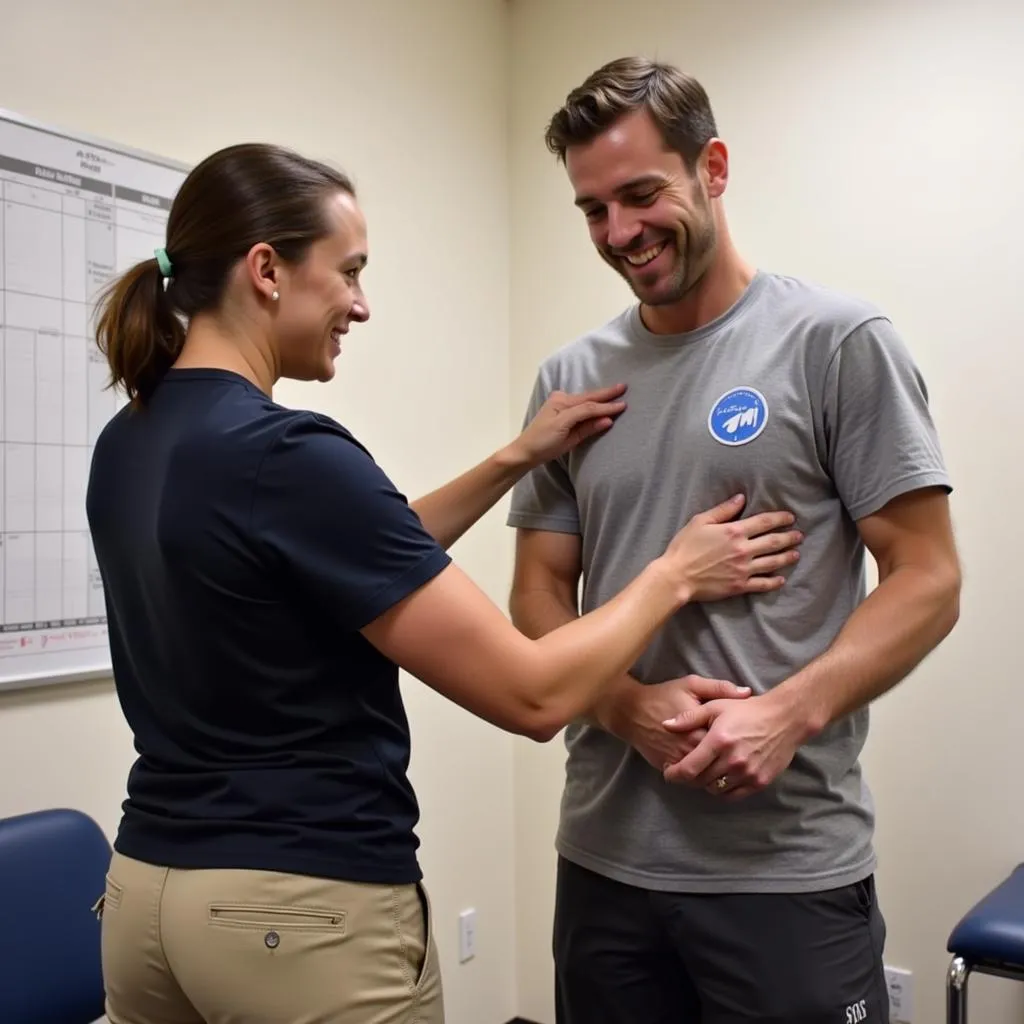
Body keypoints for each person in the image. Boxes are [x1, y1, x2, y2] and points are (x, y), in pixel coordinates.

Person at [84, 141, 805, 1024]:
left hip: (146, 900)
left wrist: (514, 458)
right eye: (348, 272)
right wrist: (673, 574)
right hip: (294, 913)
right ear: (266, 270)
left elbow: (335, 567)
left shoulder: (133, 438)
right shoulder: (287, 455)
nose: (360, 303)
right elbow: (531, 696)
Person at [508, 56, 962, 1024]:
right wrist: (625, 706)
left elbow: (927, 576)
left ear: (711, 167)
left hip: (784, 867)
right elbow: (538, 595)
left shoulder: (835, 341)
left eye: (640, 194)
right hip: (603, 858)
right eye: (593, 210)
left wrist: (785, 713)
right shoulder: (572, 377)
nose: (620, 233)